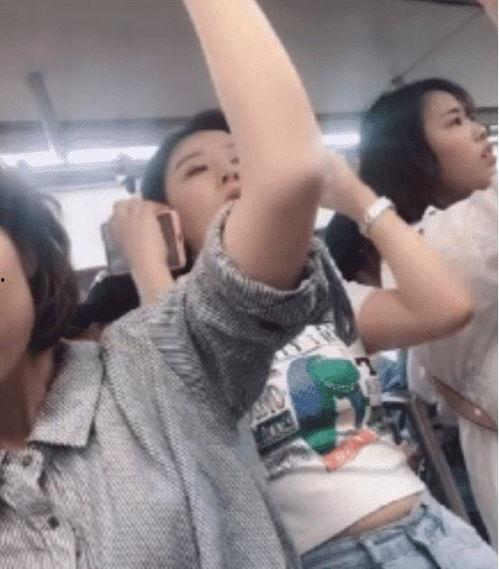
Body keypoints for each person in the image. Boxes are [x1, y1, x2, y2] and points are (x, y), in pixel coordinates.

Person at [0, 0, 344, 566]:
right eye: (196, 168)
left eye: (239, 155)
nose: (231, 171)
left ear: (27, 253)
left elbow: (285, 174)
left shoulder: (152, 363)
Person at [359, 72, 498, 549]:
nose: (479, 131)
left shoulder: (415, 251)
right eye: (455, 121)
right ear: (413, 155)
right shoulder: (447, 236)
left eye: (473, 117)